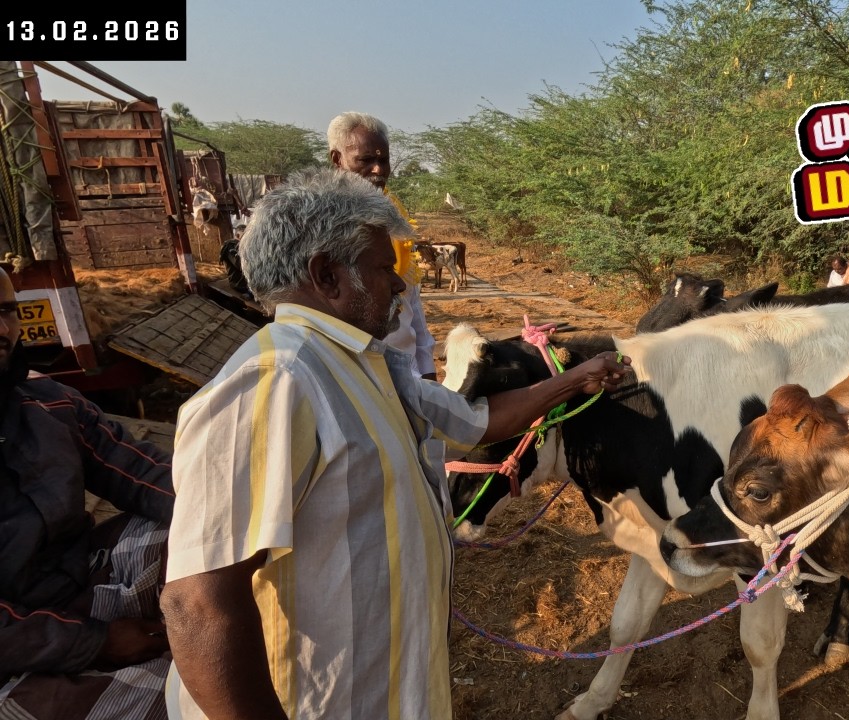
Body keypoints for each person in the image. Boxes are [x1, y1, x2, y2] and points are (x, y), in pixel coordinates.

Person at [161, 168, 630, 720]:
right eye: (385, 269)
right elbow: (197, 605)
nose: (401, 285)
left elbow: (480, 422)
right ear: (327, 276)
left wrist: (577, 378)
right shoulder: (275, 382)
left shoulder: (372, 366)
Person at [0, 268, 174, 719]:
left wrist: (240, 507)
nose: (2, 330)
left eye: (6, 313)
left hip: (83, 576)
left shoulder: (47, 402)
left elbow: (138, 470)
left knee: (209, 533)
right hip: (19, 633)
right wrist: (97, 642)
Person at [328, 111, 439, 380]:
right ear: (337, 159)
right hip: (355, 375)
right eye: (366, 160)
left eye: (384, 160)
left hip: (407, 373)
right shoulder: (323, 223)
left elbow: (411, 301)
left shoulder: (394, 214)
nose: (378, 170)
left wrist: (427, 369)